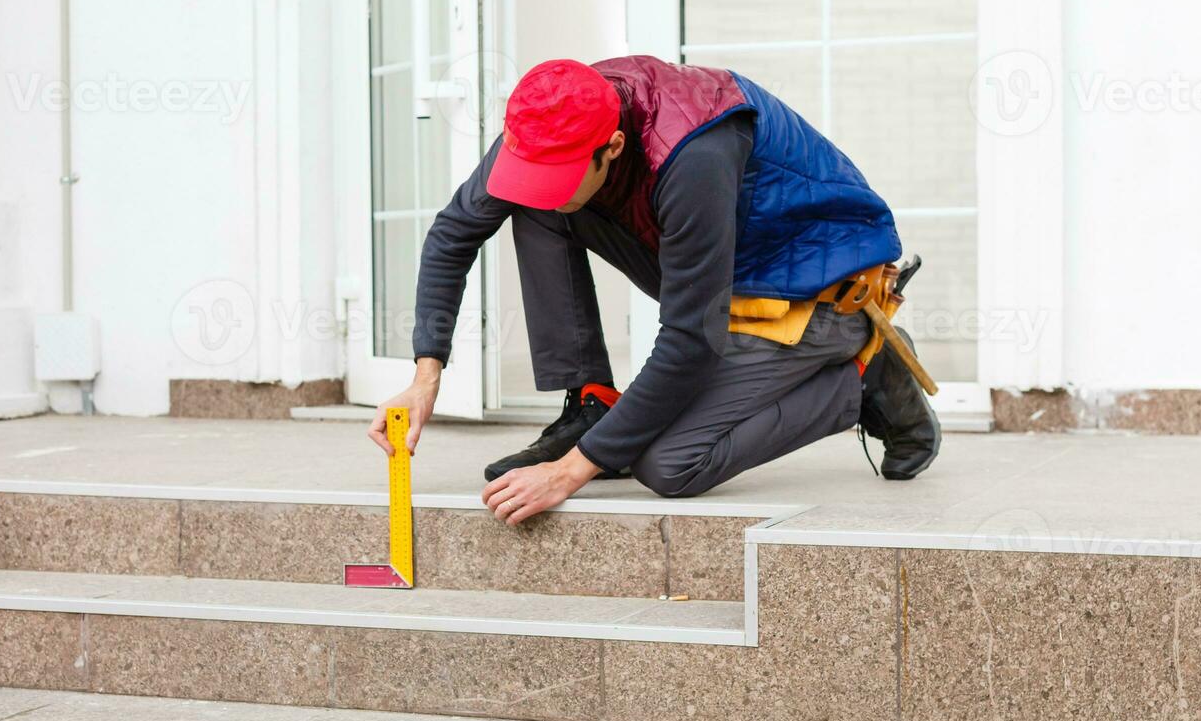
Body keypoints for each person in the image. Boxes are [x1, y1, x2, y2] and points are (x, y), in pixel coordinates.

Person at [367, 56, 940, 524]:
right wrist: (425, 378)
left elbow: (690, 340)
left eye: (563, 174)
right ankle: (591, 402)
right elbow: (452, 233)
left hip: (812, 291)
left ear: (613, 146)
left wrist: (570, 471)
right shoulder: (553, 118)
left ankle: (864, 376)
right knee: (540, 209)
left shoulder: (696, 152)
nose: (545, 184)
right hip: (726, 272)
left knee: (669, 464)